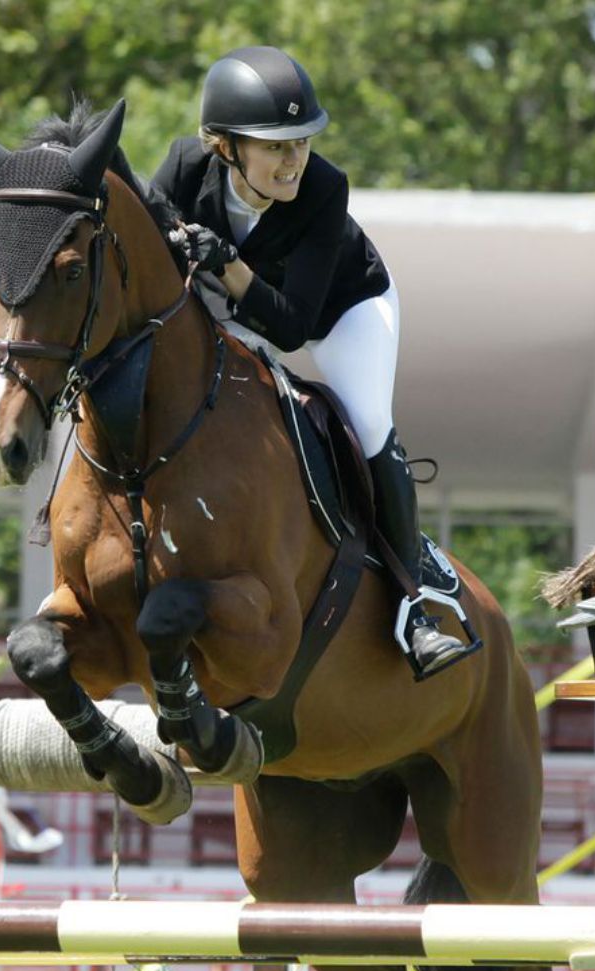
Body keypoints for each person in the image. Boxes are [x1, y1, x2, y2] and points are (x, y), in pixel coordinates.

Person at [144, 45, 470, 678]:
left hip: (342, 310)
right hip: (237, 313)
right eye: (276, 146)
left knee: (368, 424)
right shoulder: (186, 164)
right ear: (224, 146)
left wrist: (227, 262)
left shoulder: (324, 188)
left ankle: (413, 610)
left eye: (302, 142)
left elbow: (293, 326)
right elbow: (151, 230)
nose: (294, 160)